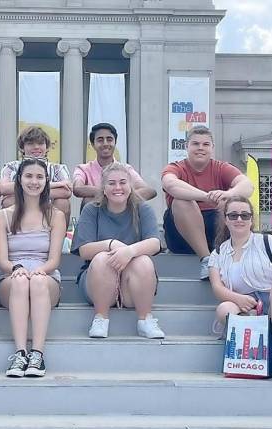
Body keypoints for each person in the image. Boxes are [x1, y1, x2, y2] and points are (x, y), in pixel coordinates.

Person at [208, 196, 272, 384]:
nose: (239, 220)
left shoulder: (268, 242)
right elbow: (217, 287)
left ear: (251, 219)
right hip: (250, 309)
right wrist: (237, 299)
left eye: (244, 215)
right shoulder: (218, 252)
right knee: (224, 309)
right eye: (233, 215)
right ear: (225, 219)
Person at [71, 162, 165, 339]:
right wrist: (112, 244)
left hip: (131, 285)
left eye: (123, 182)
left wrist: (128, 252)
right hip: (97, 282)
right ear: (104, 188)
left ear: (130, 186)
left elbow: (154, 243)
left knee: (144, 261)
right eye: (111, 183)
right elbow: (84, 250)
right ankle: (101, 318)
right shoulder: (92, 210)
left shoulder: (142, 208)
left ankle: (145, 320)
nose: (118, 187)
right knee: (100, 259)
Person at [0, 158, 66, 377]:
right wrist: (17, 268)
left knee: (36, 281)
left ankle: (37, 354)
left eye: (39, 177)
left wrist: (41, 270)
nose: (34, 182)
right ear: (19, 180)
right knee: (20, 280)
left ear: (46, 181)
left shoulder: (56, 215)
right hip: (11, 276)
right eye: (28, 176)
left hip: (45, 276)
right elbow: (2, 261)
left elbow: (54, 260)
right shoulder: (2, 216)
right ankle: (20, 353)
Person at [161, 125, 253, 280]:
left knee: (233, 204)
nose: (200, 148)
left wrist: (227, 194)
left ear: (212, 147)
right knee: (181, 202)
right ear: (187, 146)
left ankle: (238, 257)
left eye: (205, 144)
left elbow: (248, 186)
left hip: (215, 231)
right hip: (180, 233)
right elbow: (170, 185)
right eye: (195, 144)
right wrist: (205, 196)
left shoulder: (221, 168)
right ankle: (206, 261)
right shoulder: (175, 167)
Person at [73, 123, 156, 208]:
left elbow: (150, 191)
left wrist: (121, 196)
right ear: (93, 144)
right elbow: (77, 189)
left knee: (141, 204)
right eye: (100, 140)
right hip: (97, 215)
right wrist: (110, 193)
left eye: (109, 139)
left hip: (123, 213)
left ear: (115, 142)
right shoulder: (83, 169)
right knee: (88, 201)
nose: (105, 143)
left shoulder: (125, 169)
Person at [0, 126, 72, 224]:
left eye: (41, 143)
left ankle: (57, 237)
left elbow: (66, 192)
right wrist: (51, 185)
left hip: (48, 209)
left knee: (63, 202)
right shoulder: (11, 166)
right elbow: (3, 188)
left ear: (47, 147)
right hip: (20, 205)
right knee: (9, 201)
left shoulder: (57, 168)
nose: (36, 147)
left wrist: (26, 191)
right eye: (30, 144)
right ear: (22, 147)